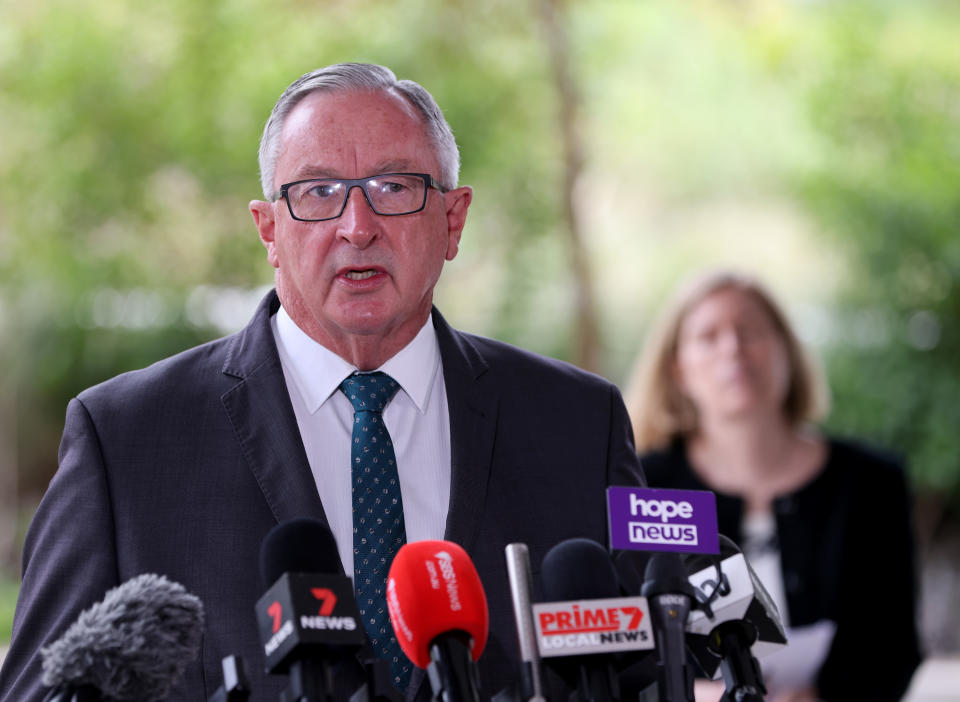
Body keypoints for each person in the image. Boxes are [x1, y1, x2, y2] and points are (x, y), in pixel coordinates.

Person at [0, 63, 644, 702]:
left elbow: (649, 675)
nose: (357, 226)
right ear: (269, 230)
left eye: (394, 187)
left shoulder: (579, 426)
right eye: (317, 192)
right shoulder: (126, 440)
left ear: (453, 219)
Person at [624, 269, 922, 702]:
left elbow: (892, 645)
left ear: (786, 349)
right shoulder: (646, 487)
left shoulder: (869, 483)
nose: (733, 349)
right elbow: (628, 643)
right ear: (678, 369)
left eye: (751, 331)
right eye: (709, 337)